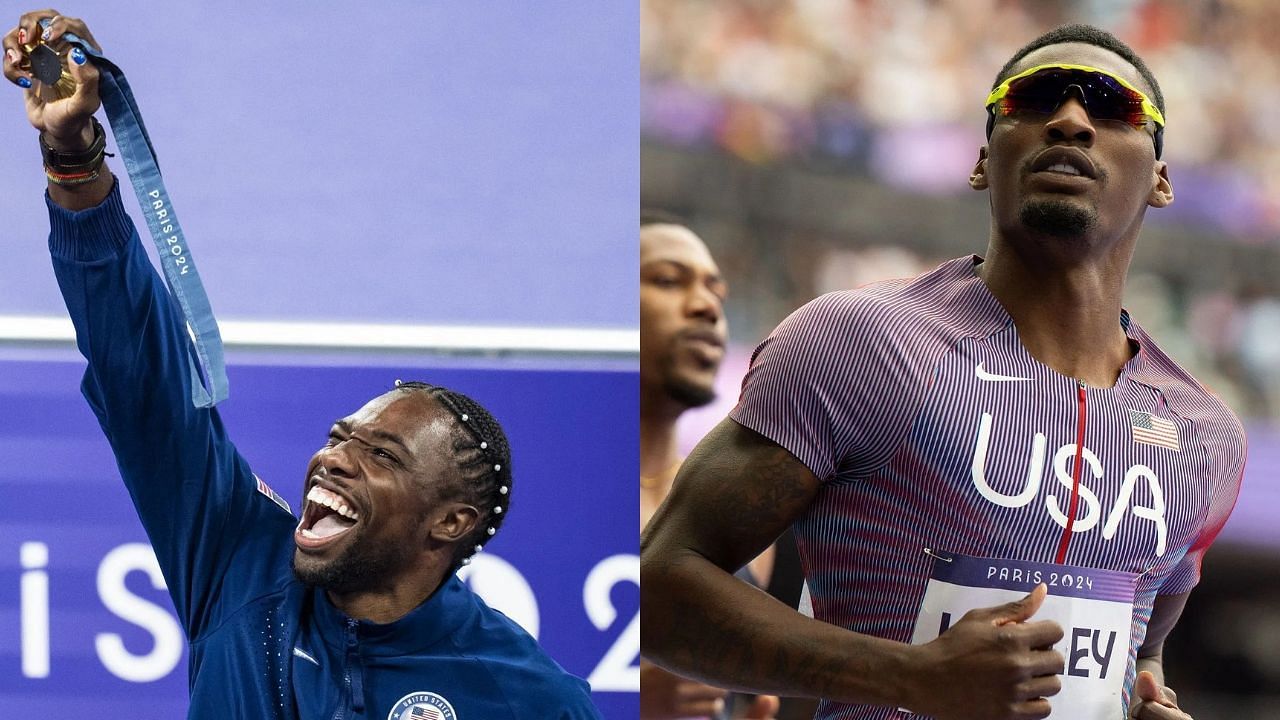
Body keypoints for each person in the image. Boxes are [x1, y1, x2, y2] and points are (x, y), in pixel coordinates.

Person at [4, 10, 601, 719]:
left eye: (380, 453)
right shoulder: (238, 558)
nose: (332, 459)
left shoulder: (535, 701)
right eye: (341, 436)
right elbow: (143, 375)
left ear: (449, 522)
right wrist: (73, 157)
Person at [641, 24, 1244, 720]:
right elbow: (659, 586)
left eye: (1115, 108)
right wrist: (908, 678)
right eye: (1033, 99)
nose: (1071, 120)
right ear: (985, 160)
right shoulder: (860, 343)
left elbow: (1141, 650)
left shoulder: (1204, 436)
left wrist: (1147, 701)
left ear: (1162, 179)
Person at [641, 212, 813, 720]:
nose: (707, 307)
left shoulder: (740, 499)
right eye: (668, 281)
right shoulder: (563, 495)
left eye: (717, 291)